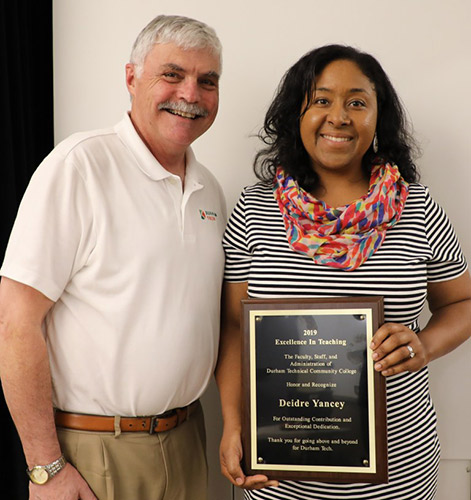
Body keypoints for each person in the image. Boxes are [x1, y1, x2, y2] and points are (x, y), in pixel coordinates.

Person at [216, 44, 471, 499]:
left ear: (379, 118)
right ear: (296, 113)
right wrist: (233, 426)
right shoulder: (254, 209)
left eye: (357, 101)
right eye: (321, 100)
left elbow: (463, 303)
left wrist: (424, 345)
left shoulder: (417, 208)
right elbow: (235, 327)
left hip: (399, 474)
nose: (339, 116)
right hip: (278, 475)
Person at [0, 14, 226, 500]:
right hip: (95, 451)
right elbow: (17, 323)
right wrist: (45, 467)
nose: (191, 94)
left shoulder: (212, 192)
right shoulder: (79, 166)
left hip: (189, 440)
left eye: (207, 81)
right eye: (172, 74)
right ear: (131, 77)